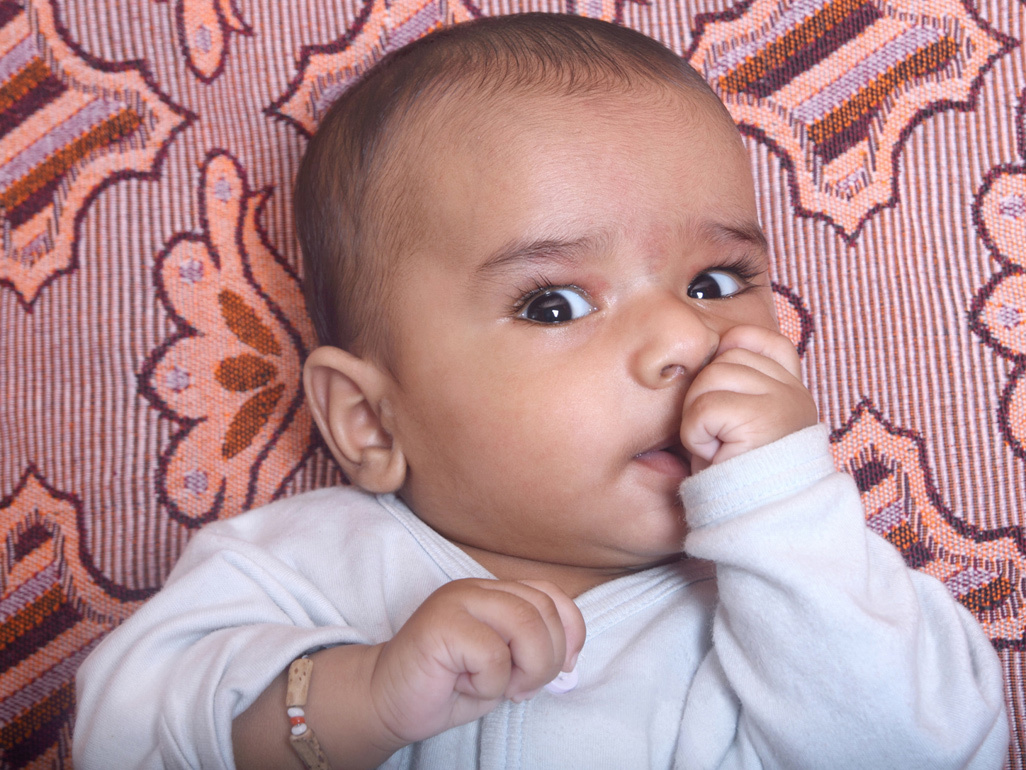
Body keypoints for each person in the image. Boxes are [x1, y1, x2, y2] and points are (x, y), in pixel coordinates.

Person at [73, 13, 1009, 770]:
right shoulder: (301, 568)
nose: (689, 338)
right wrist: (363, 697)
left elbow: (930, 747)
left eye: (717, 282)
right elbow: (121, 736)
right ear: (369, 419)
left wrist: (785, 511)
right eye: (554, 303)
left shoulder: (804, 586)